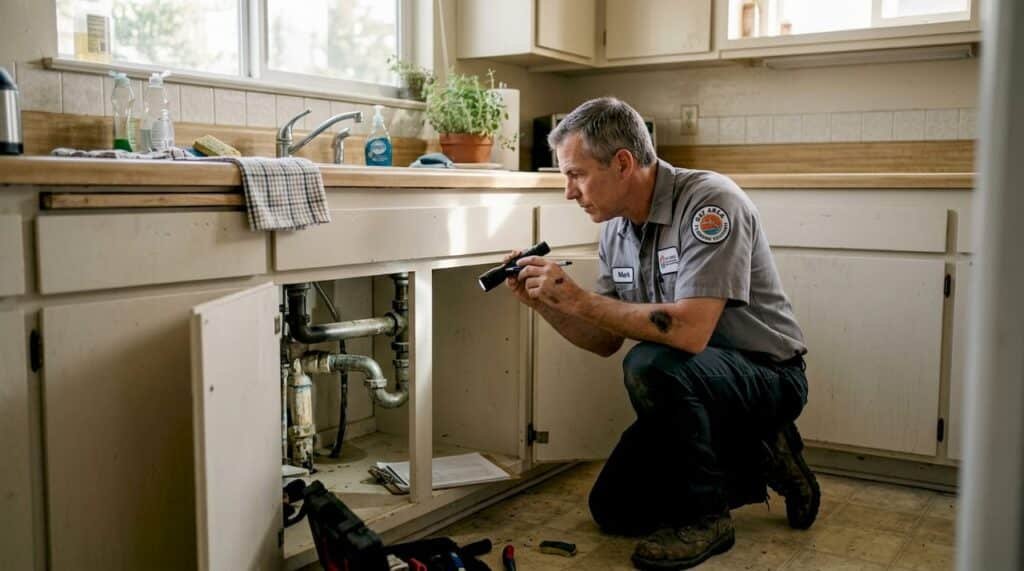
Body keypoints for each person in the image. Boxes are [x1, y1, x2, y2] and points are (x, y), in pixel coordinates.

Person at [504, 97, 820, 570]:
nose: (569, 192)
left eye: (576, 174)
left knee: (650, 364)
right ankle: (759, 450)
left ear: (623, 163)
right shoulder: (615, 229)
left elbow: (690, 333)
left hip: (767, 375)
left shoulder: (711, 204)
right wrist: (549, 304)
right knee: (613, 511)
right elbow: (604, 340)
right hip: (688, 383)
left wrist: (576, 296)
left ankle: (708, 517)